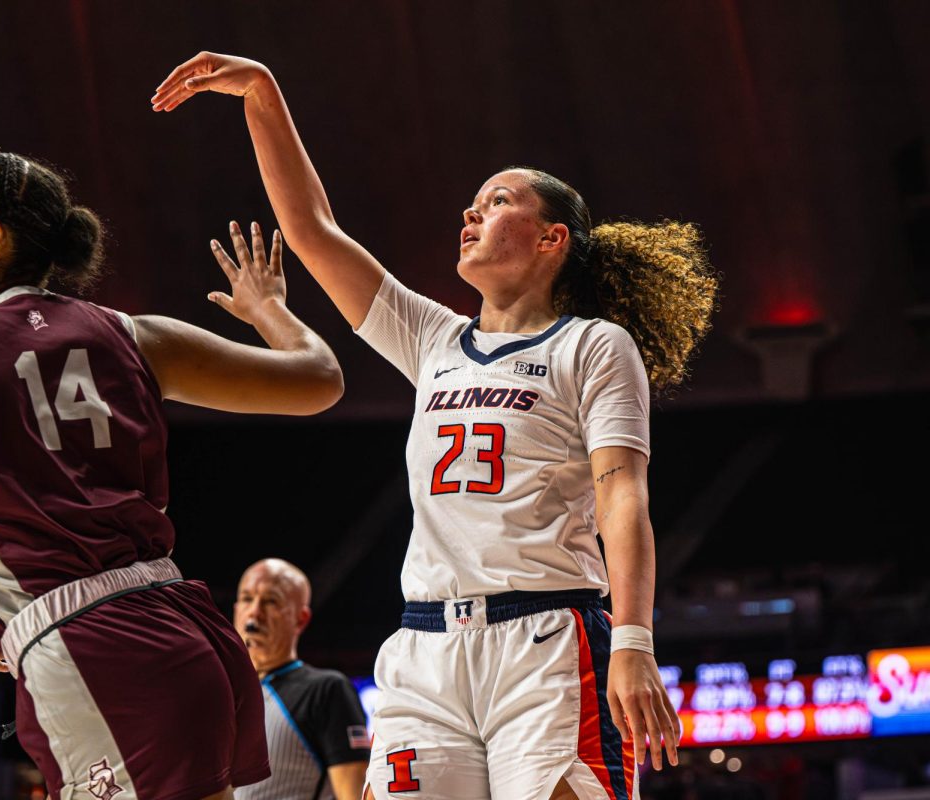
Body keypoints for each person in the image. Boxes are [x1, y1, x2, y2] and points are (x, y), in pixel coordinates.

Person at [152, 55, 717, 800]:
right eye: (472, 204)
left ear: (552, 240)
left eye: (496, 201)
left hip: (547, 642)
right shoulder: (433, 339)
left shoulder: (592, 345)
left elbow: (623, 499)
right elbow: (312, 229)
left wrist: (636, 640)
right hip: (425, 648)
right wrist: (261, 91)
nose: (470, 214)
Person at [0, 150, 344, 800]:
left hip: (88, 652)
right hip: (188, 628)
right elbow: (320, 380)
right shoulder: (134, 335)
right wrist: (269, 310)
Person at [233, 558, 370, 800]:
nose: (254, 612)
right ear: (236, 610)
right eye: (246, 598)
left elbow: (354, 796)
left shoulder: (326, 690)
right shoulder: (220, 692)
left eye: (271, 601)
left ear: (301, 618)